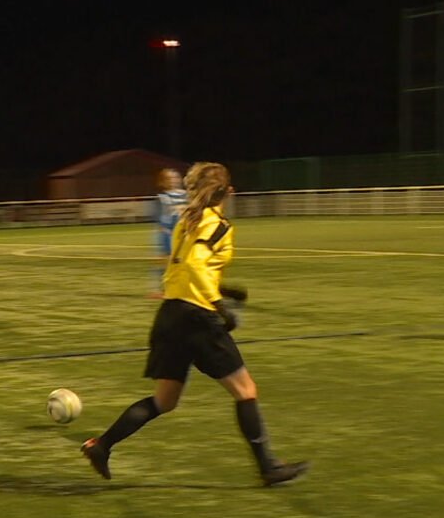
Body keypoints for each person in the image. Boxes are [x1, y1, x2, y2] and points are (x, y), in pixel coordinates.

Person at [81, 162, 309, 487]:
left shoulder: (185, 221)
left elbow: (181, 271)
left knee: (164, 401)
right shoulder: (218, 224)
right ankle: (268, 468)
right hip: (197, 317)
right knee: (246, 391)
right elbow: (196, 263)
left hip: (171, 314)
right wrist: (218, 305)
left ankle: (101, 446)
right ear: (227, 192)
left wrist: (223, 289)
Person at [149, 168, 187, 298]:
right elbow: (160, 218)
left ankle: (181, 288)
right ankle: (160, 289)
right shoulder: (162, 198)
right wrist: (166, 232)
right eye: (169, 178)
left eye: (175, 177)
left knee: (183, 262)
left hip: (183, 234)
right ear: (163, 182)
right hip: (167, 234)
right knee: (165, 262)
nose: (173, 180)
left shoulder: (186, 195)